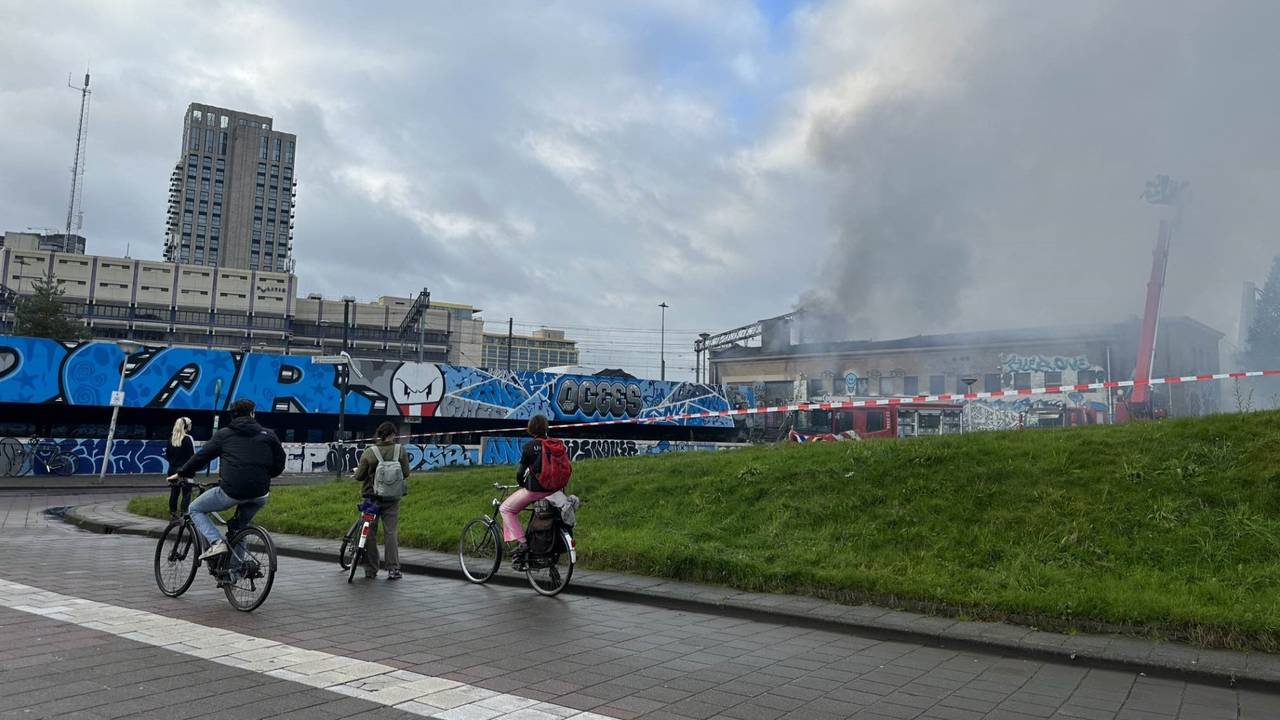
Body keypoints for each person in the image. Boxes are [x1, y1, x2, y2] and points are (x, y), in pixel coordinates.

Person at [167, 399, 286, 563]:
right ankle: (234, 572)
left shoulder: (224, 434)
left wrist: (181, 473)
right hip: (260, 493)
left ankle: (216, 542)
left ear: (232, 416)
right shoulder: (269, 434)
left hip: (232, 490)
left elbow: (201, 457)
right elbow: (280, 463)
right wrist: (263, 475)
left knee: (194, 508)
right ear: (252, 414)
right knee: (239, 528)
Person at [352, 422, 411, 580]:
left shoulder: (370, 452)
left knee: (369, 532)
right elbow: (405, 473)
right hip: (392, 499)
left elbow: (359, 476)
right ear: (393, 435)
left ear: (378, 434)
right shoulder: (400, 451)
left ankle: (371, 569)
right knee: (390, 533)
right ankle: (393, 569)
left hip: (371, 499)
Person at [500, 414, 557, 558]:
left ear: (531, 429)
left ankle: (523, 543)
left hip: (535, 490)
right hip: (554, 490)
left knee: (506, 509)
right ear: (546, 427)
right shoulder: (555, 445)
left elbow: (520, 473)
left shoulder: (529, 447)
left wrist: (522, 484)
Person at [165, 417, 196, 520]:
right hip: (185, 471)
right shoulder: (188, 439)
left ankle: (173, 514)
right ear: (186, 426)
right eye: (190, 424)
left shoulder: (171, 439)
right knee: (187, 493)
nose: (191, 426)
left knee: (174, 492)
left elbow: (168, 455)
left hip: (173, 470)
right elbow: (192, 456)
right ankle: (184, 514)